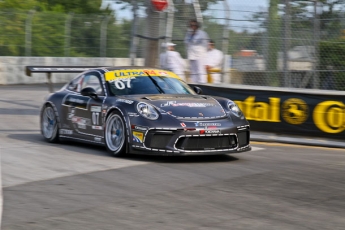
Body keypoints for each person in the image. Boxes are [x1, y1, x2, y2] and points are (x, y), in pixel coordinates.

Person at [184, 19, 209, 84]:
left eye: (194, 25)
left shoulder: (202, 33)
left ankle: (203, 84)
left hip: (200, 55)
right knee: (193, 71)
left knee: (200, 70)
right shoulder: (188, 33)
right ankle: (194, 84)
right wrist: (191, 35)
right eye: (191, 25)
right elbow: (186, 42)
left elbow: (205, 44)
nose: (192, 26)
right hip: (191, 54)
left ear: (197, 26)